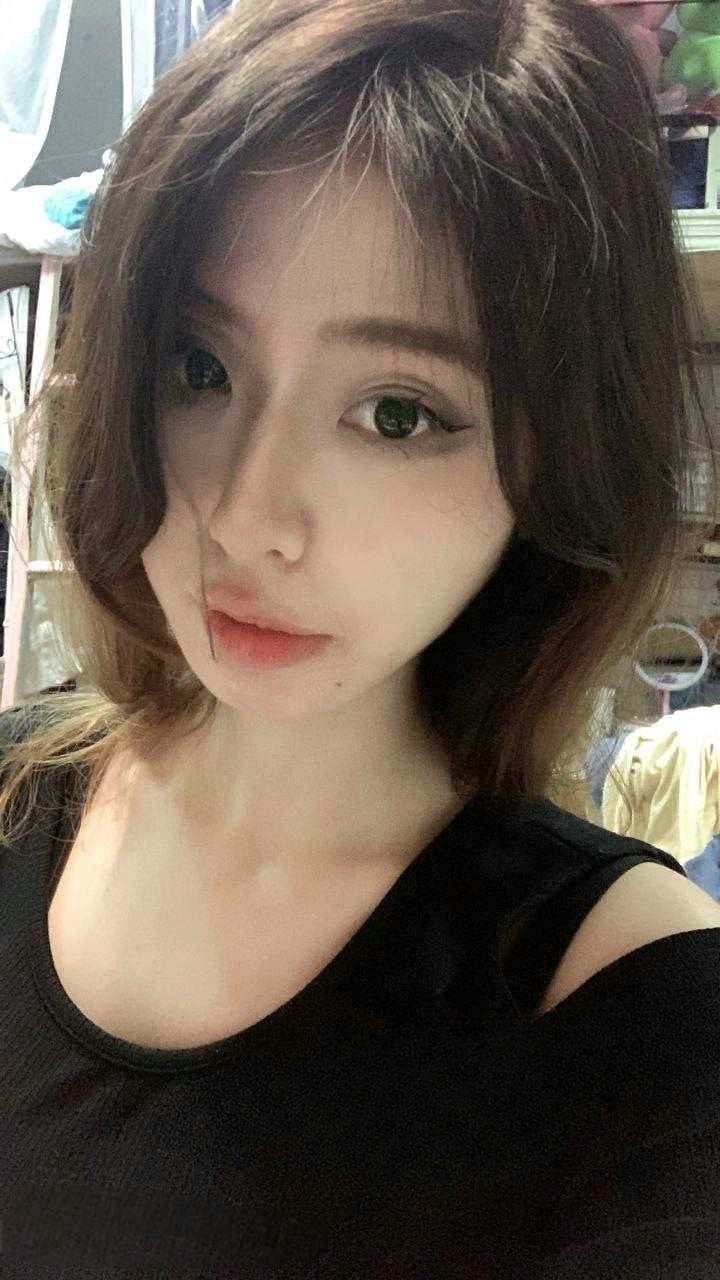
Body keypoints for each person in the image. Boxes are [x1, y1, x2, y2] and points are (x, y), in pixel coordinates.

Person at [1, 1, 719, 1275]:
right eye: (200, 366)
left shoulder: (628, 1000)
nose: (247, 517)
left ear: (555, 457)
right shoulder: (13, 790)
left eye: (398, 413)